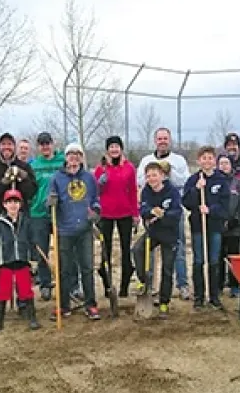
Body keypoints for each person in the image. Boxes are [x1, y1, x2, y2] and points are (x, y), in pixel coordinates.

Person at [136, 127, 192, 301]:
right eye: (159, 138)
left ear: (170, 140)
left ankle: (181, 285)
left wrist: (169, 173)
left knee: (178, 251)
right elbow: (140, 181)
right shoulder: (147, 160)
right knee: (142, 251)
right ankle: (147, 283)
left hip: (171, 217)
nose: (162, 141)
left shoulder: (178, 160)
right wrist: (150, 212)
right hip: (153, 221)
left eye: (165, 138)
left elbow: (185, 181)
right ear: (155, 141)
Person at [48, 143, 102, 321]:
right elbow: (50, 203)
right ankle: (64, 306)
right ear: (65, 157)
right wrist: (51, 203)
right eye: (70, 154)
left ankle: (91, 305)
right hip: (64, 229)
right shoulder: (57, 178)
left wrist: (95, 211)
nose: (73, 157)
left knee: (87, 268)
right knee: (64, 270)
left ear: (81, 157)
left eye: (77, 154)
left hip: (84, 229)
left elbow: (95, 199)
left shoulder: (89, 177)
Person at [132, 162, 182, 319]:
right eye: (148, 176)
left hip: (169, 234)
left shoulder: (172, 191)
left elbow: (176, 213)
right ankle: (143, 281)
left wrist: (162, 216)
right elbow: (143, 210)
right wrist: (151, 212)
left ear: (162, 175)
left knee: (167, 269)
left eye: (154, 175)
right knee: (137, 249)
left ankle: (164, 303)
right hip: (153, 233)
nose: (151, 178)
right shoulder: (146, 191)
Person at [182, 146, 230, 310]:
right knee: (198, 261)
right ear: (199, 161)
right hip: (197, 226)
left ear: (215, 161)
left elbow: (226, 206)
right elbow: (186, 203)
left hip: (215, 227)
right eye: (204, 158)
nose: (207, 161)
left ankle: (214, 295)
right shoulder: (193, 179)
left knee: (214, 261)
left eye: (210, 158)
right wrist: (196, 189)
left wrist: (211, 210)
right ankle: (199, 297)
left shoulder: (221, 180)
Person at [0, 189, 41, 332]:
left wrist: (34, 259)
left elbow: (32, 242)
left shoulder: (26, 222)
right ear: (4, 205)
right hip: (6, 263)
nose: (13, 205)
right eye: (9, 202)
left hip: (22, 261)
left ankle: (32, 318)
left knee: (26, 291)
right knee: (3, 292)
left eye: (15, 202)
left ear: (20, 204)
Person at [93, 135, 139, 298]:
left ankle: (124, 286)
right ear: (107, 150)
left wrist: (135, 213)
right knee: (106, 251)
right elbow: (95, 192)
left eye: (117, 146)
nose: (114, 149)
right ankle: (107, 285)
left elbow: (133, 191)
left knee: (126, 250)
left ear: (121, 149)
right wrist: (100, 184)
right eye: (111, 147)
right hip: (105, 214)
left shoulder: (129, 168)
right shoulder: (101, 169)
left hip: (125, 213)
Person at [29, 132, 64, 301]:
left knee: (64, 250)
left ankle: (68, 284)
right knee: (41, 250)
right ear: (38, 146)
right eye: (42, 144)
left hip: (60, 212)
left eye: (47, 143)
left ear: (53, 144)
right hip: (38, 212)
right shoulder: (34, 165)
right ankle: (45, 284)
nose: (45, 147)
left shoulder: (62, 162)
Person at [217, 155, 240, 297]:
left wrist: (235, 220)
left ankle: (235, 285)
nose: (223, 166)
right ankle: (219, 285)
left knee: (234, 257)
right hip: (218, 226)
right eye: (221, 163)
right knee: (218, 257)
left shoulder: (238, 183)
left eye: (226, 163)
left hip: (234, 228)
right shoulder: (214, 183)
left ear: (231, 165)